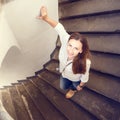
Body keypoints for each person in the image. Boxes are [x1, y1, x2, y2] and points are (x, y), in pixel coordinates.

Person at [37, 6, 91, 99]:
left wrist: (80, 85)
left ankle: (72, 90)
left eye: (76, 48)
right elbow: (59, 28)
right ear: (67, 42)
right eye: (70, 45)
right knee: (63, 86)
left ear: (81, 50)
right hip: (64, 74)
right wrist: (46, 18)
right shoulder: (66, 39)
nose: (70, 51)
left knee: (73, 86)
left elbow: (84, 76)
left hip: (75, 79)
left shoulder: (86, 62)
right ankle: (69, 87)